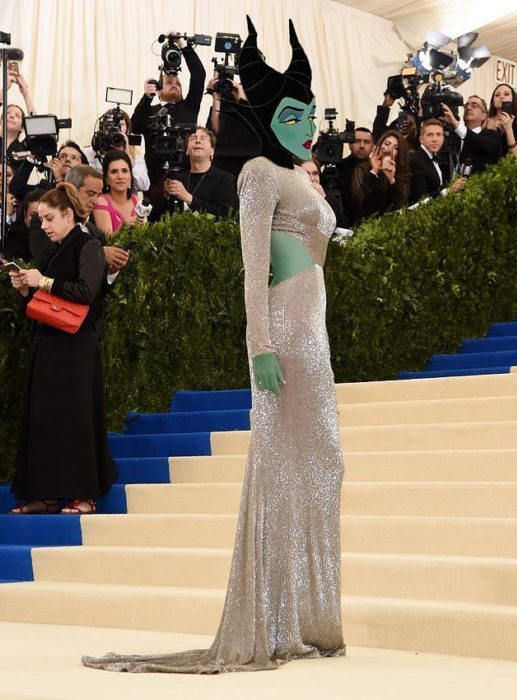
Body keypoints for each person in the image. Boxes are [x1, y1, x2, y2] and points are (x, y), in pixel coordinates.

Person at [83, 16, 345, 674]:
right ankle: (267, 621)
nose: (305, 122)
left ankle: (307, 617)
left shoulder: (298, 173)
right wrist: (260, 345)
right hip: (284, 332)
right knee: (284, 470)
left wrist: (315, 204)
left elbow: (316, 247)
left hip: (315, 332)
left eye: (308, 112)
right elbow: (253, 265)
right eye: (292, 112)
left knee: (324, 467)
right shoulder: (258, 174)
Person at [8, 183, 117, 515]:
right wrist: (26, 289)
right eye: (40, 220)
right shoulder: (51, 250)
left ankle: (83, 495)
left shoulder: (90, 246)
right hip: (47, 343)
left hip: (76, 348)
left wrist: (40, 281)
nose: (44, 226)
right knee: (43, 419)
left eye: (50, 218)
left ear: (69, 214)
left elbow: (85, 292)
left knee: (76, 420)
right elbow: (50, 301)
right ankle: (44, 494)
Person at [131, 32, 206, 185]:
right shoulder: (150, 111)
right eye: (169, 83)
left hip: (186, 176)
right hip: (154, 177)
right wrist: (147, 97)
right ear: (158, 91)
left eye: (178, 84)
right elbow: (136, 127)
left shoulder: (189, 106)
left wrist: (183, 45)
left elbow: (199, 74)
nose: (174, 85)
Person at [163, 126, 236, 218]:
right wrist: (166, 197)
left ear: (212, 151)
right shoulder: (177, 179)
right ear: (187, 150)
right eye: (193, 138)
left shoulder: (224, 179)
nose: (198, 141)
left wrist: (189, 199)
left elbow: (224, 215)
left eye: (203, 138)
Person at [205, 73, 260, 182]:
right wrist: (216, 97)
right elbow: (215, 131)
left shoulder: (255, 111)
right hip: (224, 164)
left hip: (250, 164)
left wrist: (241, 97)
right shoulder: (222, 108)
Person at [84, 109, 150, 193]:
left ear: (127, 129)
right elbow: (86, 182)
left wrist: (127, 156)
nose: (116, 128)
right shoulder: (92, 151)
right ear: (102, 128)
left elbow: (143, 186)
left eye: (121, 124)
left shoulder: (134, 155)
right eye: (110, 124)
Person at [353, 129, 410, 223]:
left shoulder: (403, 173)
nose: (389, 149)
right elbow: (360, 200)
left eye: (396, 148)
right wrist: (374, 171)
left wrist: (391, 180)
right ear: (379, 145)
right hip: (366, 226)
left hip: (393, 226)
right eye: (387, 144)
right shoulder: (362, 169)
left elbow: (400, 207)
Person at [409, 119, 466, 204]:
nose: (435, 139)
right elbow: (420, 199)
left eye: (438, 135)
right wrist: (449, 190)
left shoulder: (435, 156)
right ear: (421, 139)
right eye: (430, 135)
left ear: (443, 139)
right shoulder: (415, 161)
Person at [9, 140, 89, 200]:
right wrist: (31, 158)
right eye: (63, 156)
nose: (67, 159)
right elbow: (16, 189)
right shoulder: (45, 186)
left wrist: (59, 179)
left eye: (73, 158)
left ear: (83, 165)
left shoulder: (86, 187)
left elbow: (66, 204)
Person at [440, 97, 501, 175]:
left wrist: (456, 124)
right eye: (466, 106)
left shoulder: (491, 135)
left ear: (484, 115)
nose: (468, 108)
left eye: (474, 106)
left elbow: (480, 143)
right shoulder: (452, 135)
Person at [330, 127, 374, 226]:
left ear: (373, 147)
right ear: (349, 144)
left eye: (366, 142)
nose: (362, 146)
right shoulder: (338, 167)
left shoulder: (378, 169)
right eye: (357, 141)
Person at [92, 150, 138, 236]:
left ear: (130, 175)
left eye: (124, 171)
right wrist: (123, 227)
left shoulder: (135, 199)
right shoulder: (100, 201)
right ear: (106, 178)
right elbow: (106, 240)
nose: (120, 176)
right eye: (114, 172)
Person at [483, 83, 517, 160]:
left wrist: (508, 128)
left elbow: (516, 156)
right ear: (493, 101)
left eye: (506, 94)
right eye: (497, 95)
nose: (502, 97)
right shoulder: (486, 120)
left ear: (513, 99)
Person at [4, 187, 43, 261]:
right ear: (25, 216)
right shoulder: (17, 235)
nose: (37, 219)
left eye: (43, 215)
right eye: (33, 215)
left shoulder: (55, 235)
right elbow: (12, 259)